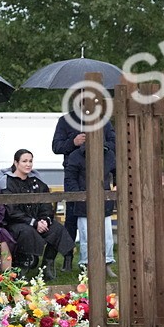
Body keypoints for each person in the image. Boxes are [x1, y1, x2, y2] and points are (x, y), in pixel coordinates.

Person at [52, 111, 116, 271]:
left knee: (104, 218)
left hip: (100, 173)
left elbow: (115, 143)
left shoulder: (103, 120)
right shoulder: (66, 120)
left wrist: (98, 143)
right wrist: (73, 142)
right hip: (74, 173)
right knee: (72, 218)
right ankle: (68, 257)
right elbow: (56, 147)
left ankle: (105, 260)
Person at [0, 149, 75, 280]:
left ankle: (47, 266)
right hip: (15, 224)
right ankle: (23, 266)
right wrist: (34, 223)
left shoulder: (38, 182)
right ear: (16, 163)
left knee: (56, 229)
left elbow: (46, 205)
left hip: (37, 221)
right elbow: (11, 211)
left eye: (30, 161)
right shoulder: (7, 183)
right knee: (27, 232)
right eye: (24, 161)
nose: (28, 164)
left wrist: (45, 220)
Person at [64, 141, 116, 280]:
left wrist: (117, 186)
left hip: (104, 201)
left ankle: (107, 264)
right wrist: (79, 196)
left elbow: (118, 171)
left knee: (107, 236)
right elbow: (70, 178)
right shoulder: (75, 156)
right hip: (83, 203)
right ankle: (87, 265)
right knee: (86, 235)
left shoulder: (109, 154)